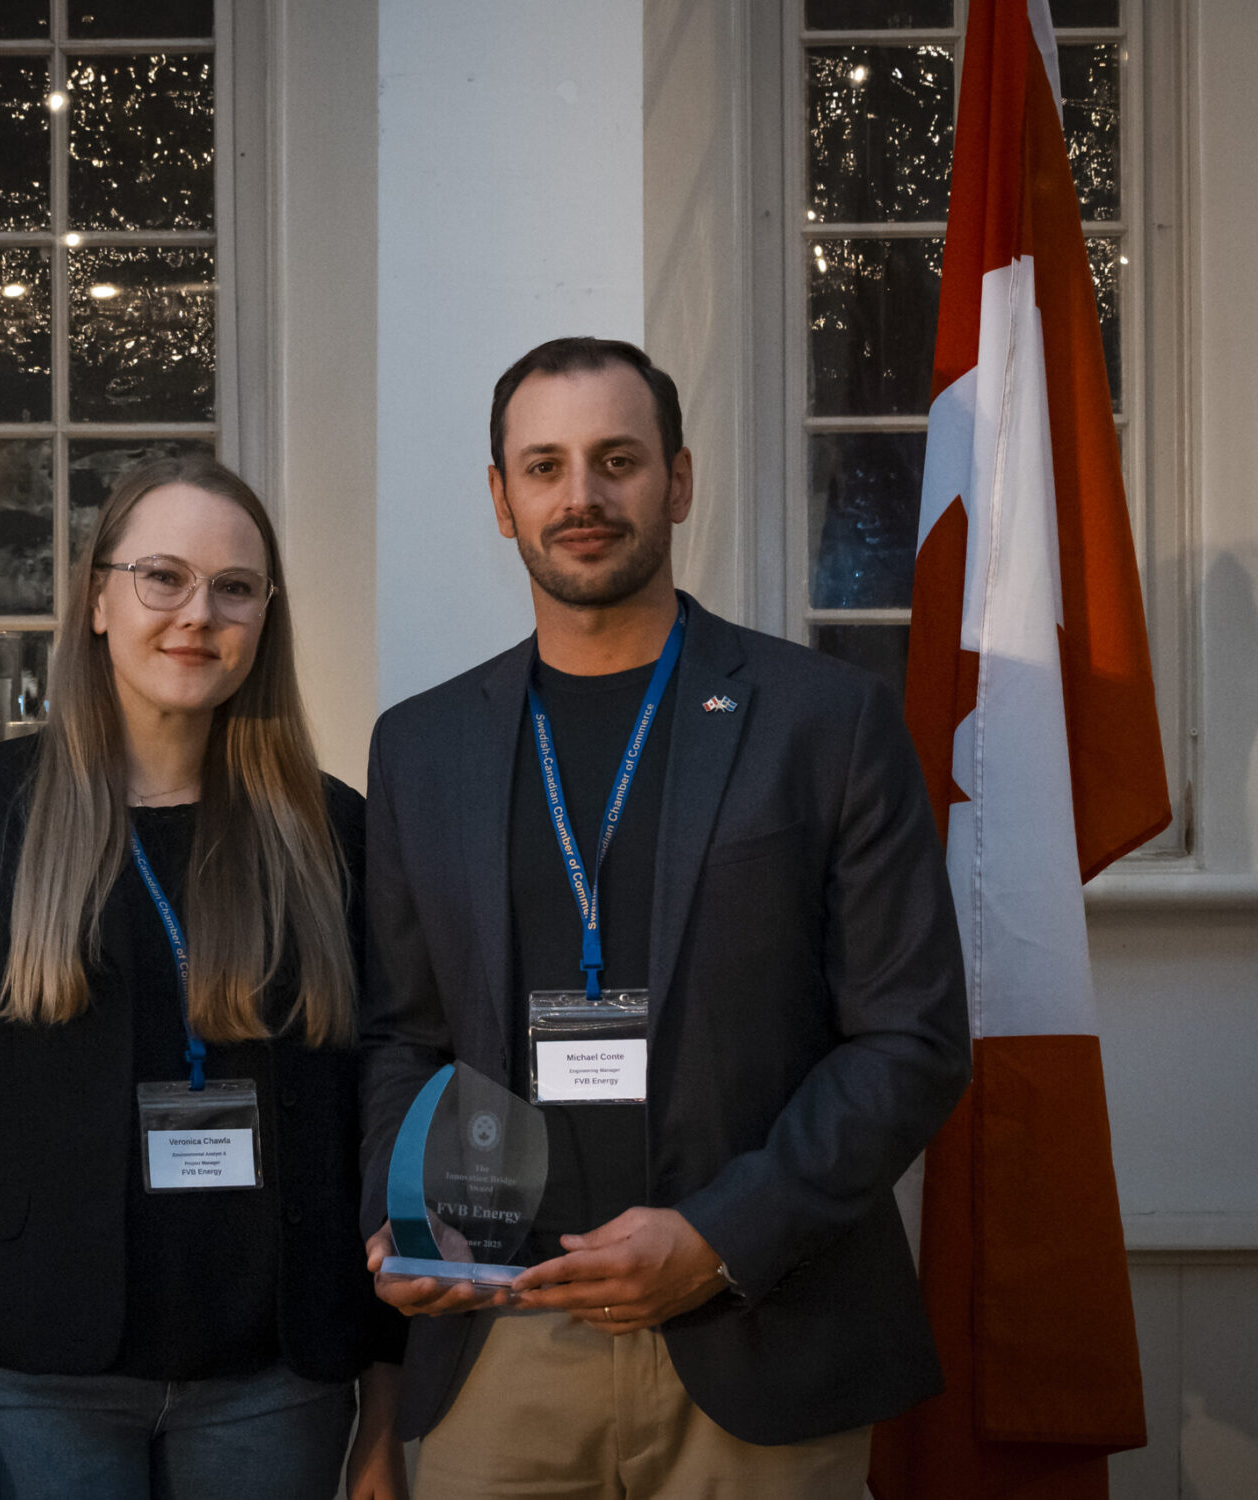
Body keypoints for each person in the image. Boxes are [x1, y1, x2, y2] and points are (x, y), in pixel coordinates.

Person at [358, 337, 972, 1497]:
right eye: (541, 466)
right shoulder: (421, 747)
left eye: (615, 460)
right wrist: (398, 1217)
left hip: (759, 1336)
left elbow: (911, 1039)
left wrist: (719, 1238)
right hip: (501, 1347)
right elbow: (402, 1031)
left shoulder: (822, 721)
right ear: (500, 500)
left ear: (677, 481)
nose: (578, 497)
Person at [0, 453, 408, 1500]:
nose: (195, 614)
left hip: (277, 1386)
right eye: (162, 576)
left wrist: (382, 1418)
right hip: (37, 1381)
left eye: (233, 588)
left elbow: (370, 1122)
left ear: (265, 617)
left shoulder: (329, 829)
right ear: (98, 600)